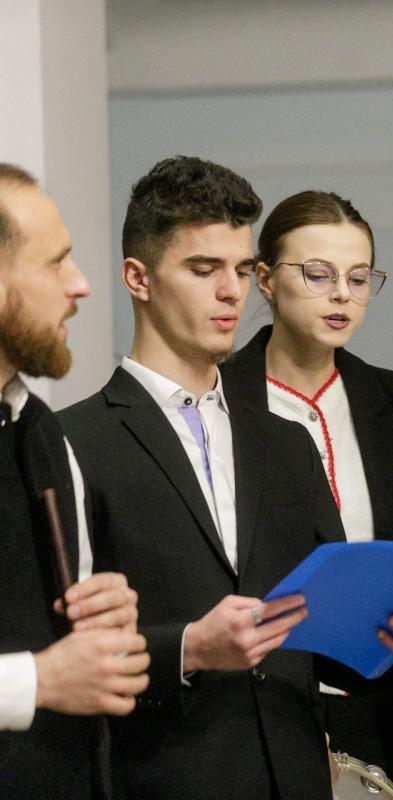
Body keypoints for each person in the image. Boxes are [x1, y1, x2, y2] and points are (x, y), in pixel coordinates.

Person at [58, 158, 393, 800]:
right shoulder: (71, 440)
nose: (231, 291)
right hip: (159, 778)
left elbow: (329, 635)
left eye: (237, 269)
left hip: (299, 772)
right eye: (204, 269)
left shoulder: (287, 443)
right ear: (138, 278)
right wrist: (189, 648)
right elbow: (55, 651)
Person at [221, 189, 393, 800]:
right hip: (260, 708)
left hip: (388, 708)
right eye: (318, 274)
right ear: (264, 280)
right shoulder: (219, 401)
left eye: (358, 277)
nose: (342, 295)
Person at [0, 163, 148, 798]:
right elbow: (49, 674)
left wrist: (104, 611)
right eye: (56, 262)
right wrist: (39, 681)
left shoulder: (38, 428)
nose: (81, 284)